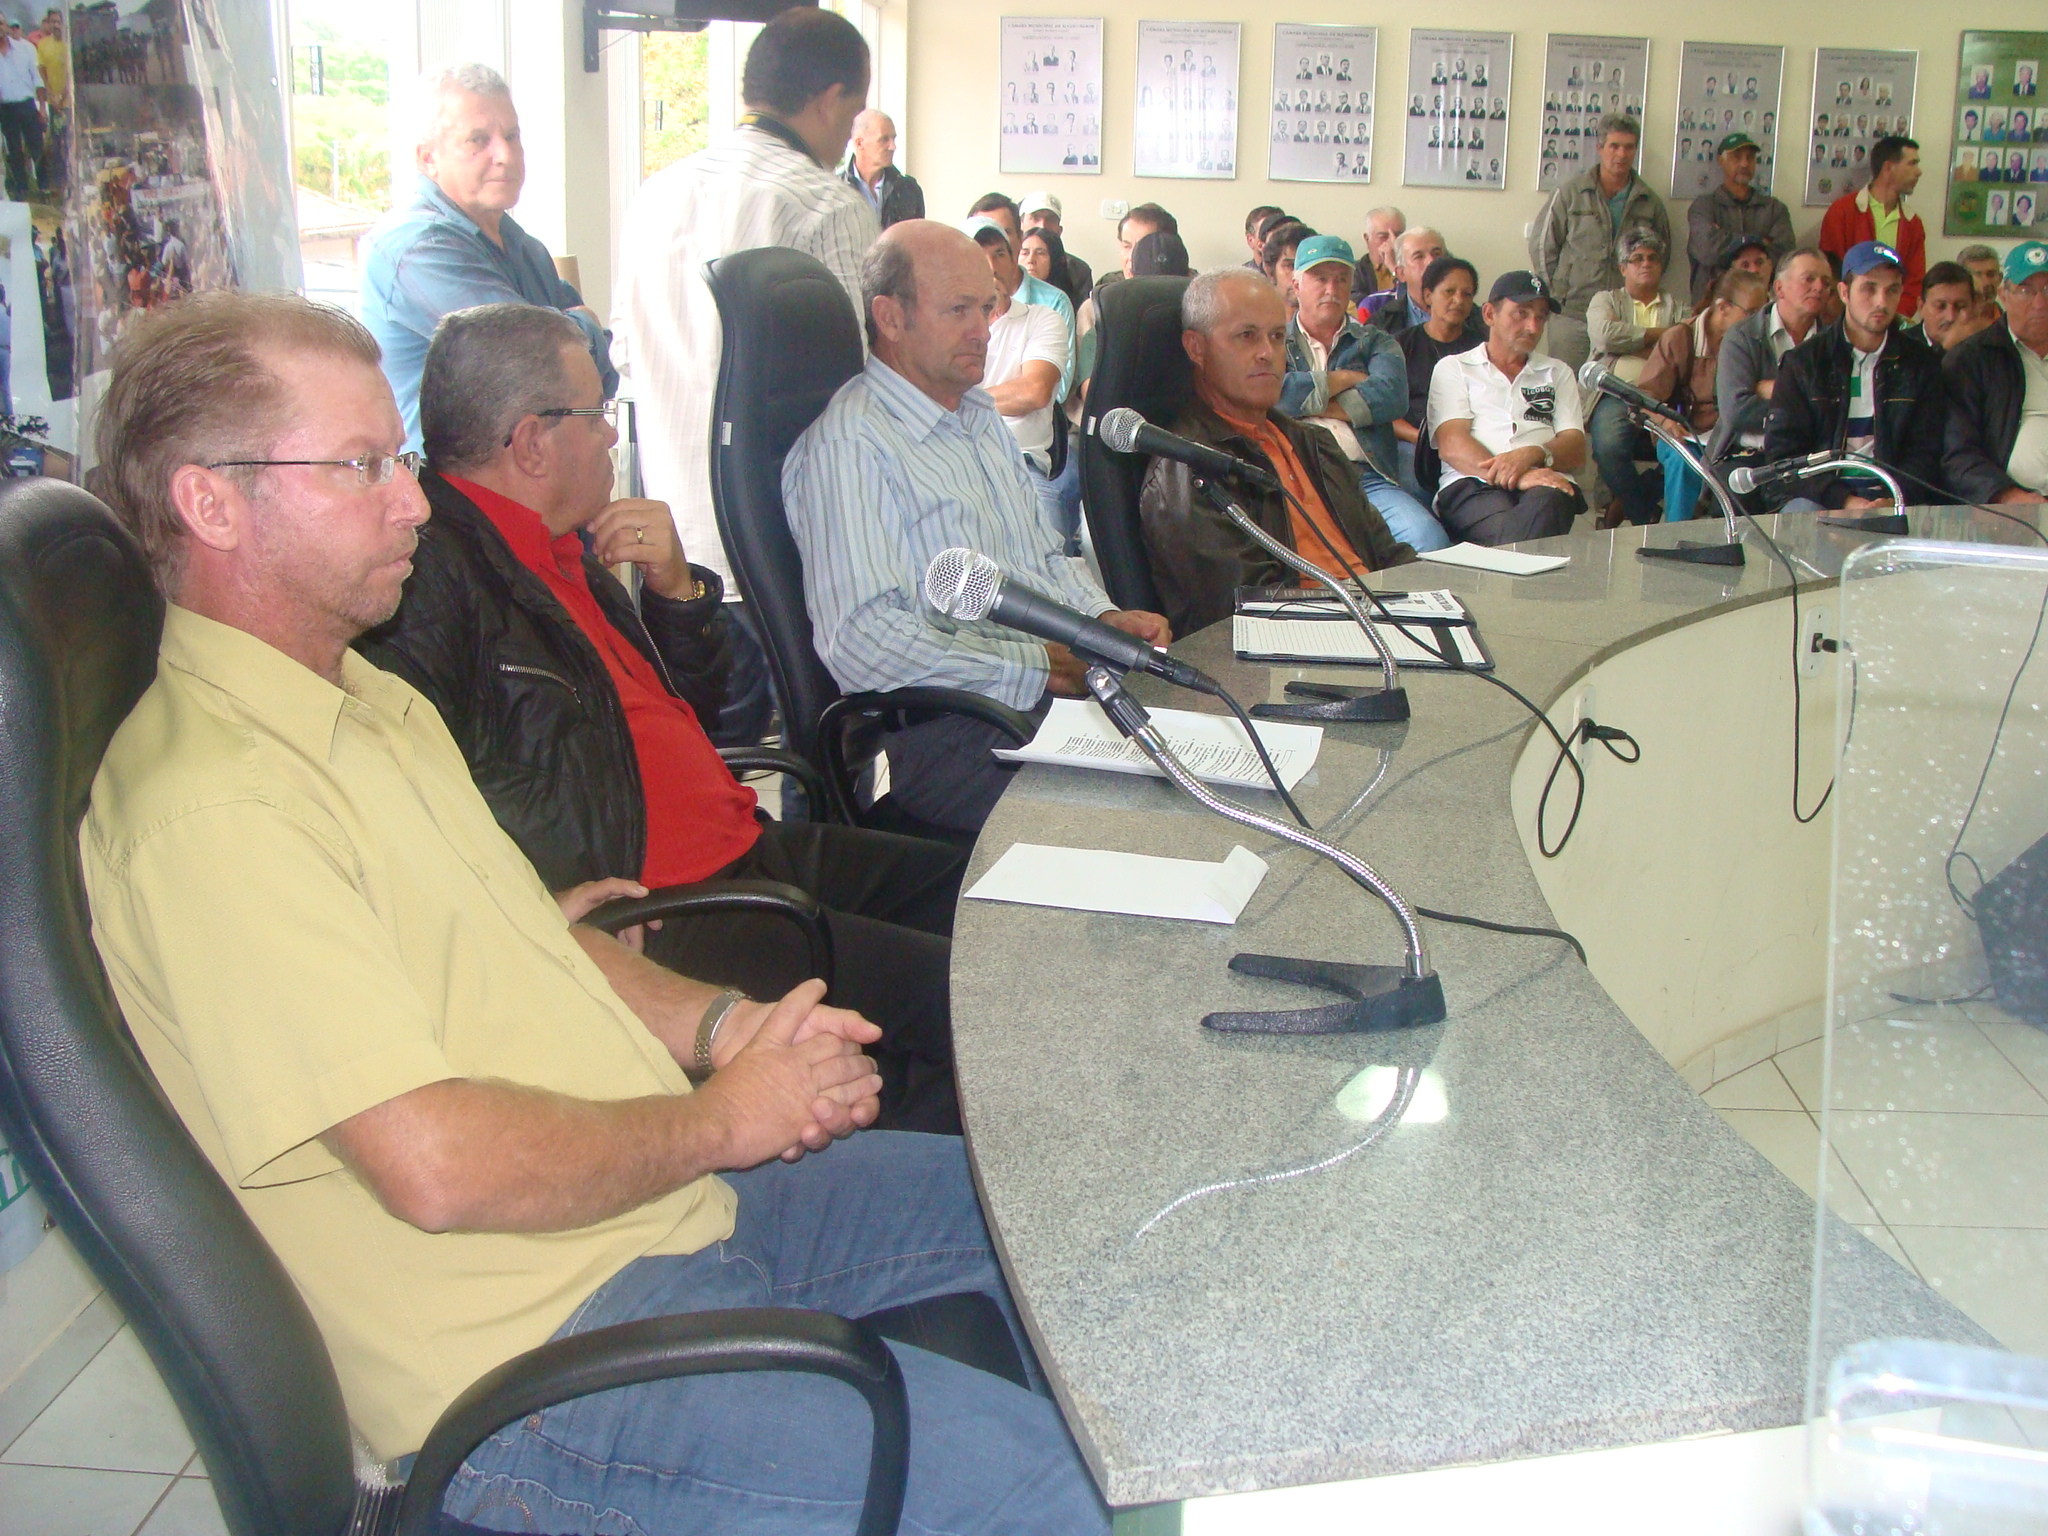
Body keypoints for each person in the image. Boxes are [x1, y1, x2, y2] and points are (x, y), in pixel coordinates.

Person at [83, 290, 1112, 1536]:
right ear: (210, 501)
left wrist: (726, 1030)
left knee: (1079, 1227)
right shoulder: (217, 808)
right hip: (534, 1358)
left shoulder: (361, 704)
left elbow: (544, 937)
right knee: (1041, 1492)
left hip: (654, 1223)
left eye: (397, 459)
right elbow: (435, 1164)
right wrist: (724, 1123)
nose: (413, 500)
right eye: (361, 467)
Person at [358, 301, 965, 1134]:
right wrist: (541, 897)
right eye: (597, 415)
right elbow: (420, 794)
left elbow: (710, 713)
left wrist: (678, 596)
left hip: (751, 845)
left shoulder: (565, 542)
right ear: (534, 442)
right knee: (971, 999)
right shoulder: (429, 582)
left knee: (985, 893)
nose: (612, 437)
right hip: (672, 909)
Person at [783, 221, 1170, 836]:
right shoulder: (850, 443)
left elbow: (1043, 558)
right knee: (1137, 825)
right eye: (959, 310)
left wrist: (1097, 620)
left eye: (986, 308)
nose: (983, 330)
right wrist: (1037, 666)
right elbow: (862, 642)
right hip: (951, 731)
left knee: (1191, 776)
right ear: (889, 317)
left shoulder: (977, 412)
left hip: (1038, 703)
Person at [611, 10, 878, 745]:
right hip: (788, 541)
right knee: (825, 749)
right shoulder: (823, 202)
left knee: (712, 753)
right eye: (852, 114)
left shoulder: (654, 195)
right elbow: (851, 389)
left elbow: (626, 357)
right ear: (830, 99)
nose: (846, 136)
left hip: (676, 537)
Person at [1137, 269, 1416, 635]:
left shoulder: (1313, 442)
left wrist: (1434, 597)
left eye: (1277, 336)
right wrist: (1367, 610)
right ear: (1196, 348)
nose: (1267, 354)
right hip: (1301, 644)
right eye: (1246, 336)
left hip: (1377, 621)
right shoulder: (1187, 468)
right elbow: (1244, 610)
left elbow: (1386, 553)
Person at [360, 66, 616, 452]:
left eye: (512, 136)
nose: (506, 155)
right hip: (437, 499)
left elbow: (599, 380)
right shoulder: (417, 248)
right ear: (428, 158)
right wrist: (584, 321)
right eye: (478, 140)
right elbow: (533, 370)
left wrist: (575, 339)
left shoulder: (525, 248)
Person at [1277, 235, 1448, 552]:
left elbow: (1391, 397)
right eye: (1320, 278)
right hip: (1292, 477)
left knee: (1430, 540)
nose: (1332, 289)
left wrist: (1310, 403)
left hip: (1364, 478)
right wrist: (1343, 378)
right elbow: (1273, 394)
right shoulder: (1273, 341)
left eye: (1342, 279)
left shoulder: (1376, 341)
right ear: (1296, 284)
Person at [1761, 241, 1945, 513]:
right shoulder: (1804, 362)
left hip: (1894, 498)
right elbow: (1785, 458)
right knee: (1801, 514)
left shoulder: (1921, 364)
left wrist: (1892, 498)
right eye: (1869, 288)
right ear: (1844, 292)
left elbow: (1925, 453)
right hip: (1821, 499)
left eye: (1892, 290)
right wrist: (1845, 501)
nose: (1882, 302)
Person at [1427, 271, 1587, 544]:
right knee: (1521, 534)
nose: (1533, 327)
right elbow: (1452, 444)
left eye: (1541, 317)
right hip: (1473, 483)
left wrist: (1535, 453)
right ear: (1489, 314)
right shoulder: (1455, 368)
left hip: (1546, 483)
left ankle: (1502, 581)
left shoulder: (1557, 372)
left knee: (1548, 503)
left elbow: (1575, 448)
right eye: (1521, 313)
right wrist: (1519, 473)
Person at [1531, 114, 1672, 370]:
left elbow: (1662, 254)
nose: (1621, 154)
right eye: (1614, 146)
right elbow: (1543, 246)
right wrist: (1557, 292)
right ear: (1600, 148)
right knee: (1565, 388)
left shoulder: (1648, 202)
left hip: (1622, 318)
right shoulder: (1570, 193)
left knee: (1617, 390)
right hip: (1572, 314)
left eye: (1629, 147)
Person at [1635, 268, 1768, 520]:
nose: (1758, 321)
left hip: (1731, 437)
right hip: (1685, 433)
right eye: (1751, 313)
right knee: (1684, 464)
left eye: (1763, 312)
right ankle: (1677, 540)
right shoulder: (1680, 338)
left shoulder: (1756, 343)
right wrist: (1666, 420)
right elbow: (1644, 397)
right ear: (1723, 307)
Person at [965, 216, 1070, 534]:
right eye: (977, 256)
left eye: (999, 254)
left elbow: (1035, 391)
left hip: (1020, 466)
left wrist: (959, 400)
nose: (990, 265)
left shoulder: (1042, 319)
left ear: (1014, 264)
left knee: (1049, 564)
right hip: (956, 463)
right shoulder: (944, 327)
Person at [1586, 228, 1690, 526]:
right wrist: (1663, 339)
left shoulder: (1677, 305)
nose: (1646, 264)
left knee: (1695, 446)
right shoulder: (1605, 300)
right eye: (1637, 259)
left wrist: (1631, 339)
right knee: (1607, 448)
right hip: (1617, 394)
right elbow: (1605, 336)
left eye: (1653, 258)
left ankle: (1631, 500)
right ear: (1623, 268)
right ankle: (1645, 516)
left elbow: (1686, 345)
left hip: (1664, 398)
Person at [1942, 240, 2048, 506]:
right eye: (2025, 290)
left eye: (2047, 289)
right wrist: (2007, 495)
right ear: (2004, 295)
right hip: (2010, 506)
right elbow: (1957, 454)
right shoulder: (1971, 359)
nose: (2040, 303)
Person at [1711, 246, 1833, 465]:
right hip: (1746, 456)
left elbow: (1834, 413)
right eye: (1809, 279)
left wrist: (1777, 390)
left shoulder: (1832, 342)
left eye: (1826, 282)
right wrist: (1802, 402)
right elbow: (1737, 413)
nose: (1819, 287)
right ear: (1779, 288)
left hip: (1808, 460)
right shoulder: (1742, 336)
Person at [1396, 255, 1486, 502]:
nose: (1458, 300)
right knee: (1415, 477)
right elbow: (1385, 412)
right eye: (1449, 291)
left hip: (1469, 442)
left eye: (1467, 294)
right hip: (1411, 441)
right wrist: (1424, 441)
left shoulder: (1481, 349)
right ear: (1427, 296)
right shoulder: (1399, 346)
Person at [1819, 135, 1926, 316]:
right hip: (1846, 320)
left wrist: (1891, 318)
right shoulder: (1843, 212)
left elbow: (1915, 282)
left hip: (1891, 323)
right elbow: (1831, 271)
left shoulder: (1913, 224)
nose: (1919, 172)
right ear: (1888, 168)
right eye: (1912, 163)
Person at [1685, 132, 1795, 306]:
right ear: (1721, 161)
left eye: (1750, 158)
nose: (1744, 163)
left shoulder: (1774, 209)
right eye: (1737, 157)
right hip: (1714, 304)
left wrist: (1725, 238)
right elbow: (1706, 250)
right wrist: (1760, 243)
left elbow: (1785, 259)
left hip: (1763, 306)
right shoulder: (1704, 207)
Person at [841, 108, 924, 229]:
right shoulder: (836, 189)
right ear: (859, 143)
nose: (893, 146)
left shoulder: (908, 190)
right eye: (884, 139)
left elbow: (916, 241)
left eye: (893, 139)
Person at [1368, 226, 1447, 335]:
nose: (1431, 262)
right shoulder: (1382, 324)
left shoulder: (1473, 318)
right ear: (1401, 273)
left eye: (1437, 254)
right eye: (1419, 256)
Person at [0, 17, 45, 202]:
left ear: (6, 26)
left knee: (37, 146)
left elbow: (37, 79)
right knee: (14, 150)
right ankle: (22, 190)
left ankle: (45, 187)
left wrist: (42, 108)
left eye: (0, 23)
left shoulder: (25, 48)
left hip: (27, 105)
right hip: (5, 108)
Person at [1021, 191, 1091, 297]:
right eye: (1035, 218)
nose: (1042, 226)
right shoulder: (1004, 263)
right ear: (1020, 226)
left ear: (1059, 230)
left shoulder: (1078, 271)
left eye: (1050, 220)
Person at [1919, 261, 1991, 352]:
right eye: (1940, 306)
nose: (1951, 317)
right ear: (1921, 306)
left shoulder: (1985, 349)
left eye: (1960, 306)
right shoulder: (1901, 348)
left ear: (1973, 306)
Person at [1354, 204, 1405, 306]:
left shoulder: (1415, 268)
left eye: (1398, 236)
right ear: (1367, 239)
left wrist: (1394, 267)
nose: (1393, 242)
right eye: (1383, 237)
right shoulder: (1354, 272)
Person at [1242, 203, 1284, 268]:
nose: (1276, 238)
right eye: (1267, 231)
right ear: (1250, 240)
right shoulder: (1240, 276)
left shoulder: (1298, 274)